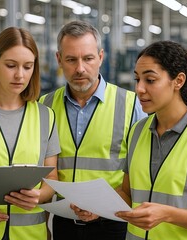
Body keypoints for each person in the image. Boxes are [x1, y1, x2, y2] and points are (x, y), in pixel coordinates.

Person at [39, 20, 146, 240]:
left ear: (100, 57)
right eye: (71, 59)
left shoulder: (131, 105)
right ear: (59, 59)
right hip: (64, 223)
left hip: (114, 223)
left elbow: (142, 172)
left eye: (88, 58)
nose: (80, 68)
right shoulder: (45, 107)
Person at [115, 40, 187, 240]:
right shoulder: (137, 131)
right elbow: (127, 193)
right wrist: (94, 207)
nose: (139, 89)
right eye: (137, 80)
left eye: (150, 80)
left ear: (178, 81)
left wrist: (168, 215)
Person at [0, 27, 60, 240]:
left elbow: (51, 177)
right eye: (11, 65)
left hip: (31, 234)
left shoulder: (46, 116)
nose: (20, 75)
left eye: (28, 67)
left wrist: (39, 196)